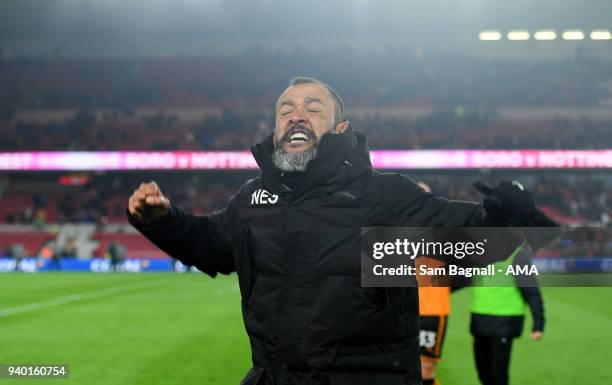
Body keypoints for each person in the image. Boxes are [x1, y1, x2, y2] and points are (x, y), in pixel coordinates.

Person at [127, 76, 556, 385]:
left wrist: (505, 218)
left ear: (340, 129)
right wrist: (161, 220)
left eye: (313, 109)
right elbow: (211, 245)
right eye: (285, 110)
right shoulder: (253, 199)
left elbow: (466, 240)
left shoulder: (386, 196)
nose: (296, 117)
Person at [470, 245, 545, 385]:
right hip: (479, 321)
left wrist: (538, 324)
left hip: (505, 322)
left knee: (499, 374)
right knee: (483, 373)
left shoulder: (517, 257)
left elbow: (532, 292)